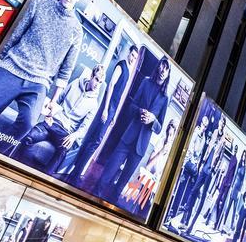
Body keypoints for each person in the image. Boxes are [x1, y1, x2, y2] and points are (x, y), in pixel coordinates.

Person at [0, 0, 83, 151]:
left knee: (27, 123)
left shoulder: (76, 30)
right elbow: (14, 36)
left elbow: (66, 69)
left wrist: (53, 100)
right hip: (12, 67)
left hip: (39, 82)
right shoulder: (39, 4)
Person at [95, 56, 171, 203]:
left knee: (120, 186)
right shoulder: (146, 82)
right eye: (162, 67)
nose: (163, 71)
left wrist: (153, 120)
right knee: (106, 175)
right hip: (127, 138)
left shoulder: (164, 98)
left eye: (167, 69)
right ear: (158, 68)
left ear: (168, 74)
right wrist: (140, 111)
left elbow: (160, 127)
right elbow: (131, 106)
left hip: (141, 147)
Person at [64, 46, 139, 183]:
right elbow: (111, 86)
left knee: (95, 141)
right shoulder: (121, 65)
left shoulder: (128, 69)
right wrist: (106, 109)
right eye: (132, 55)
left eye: (135, 57)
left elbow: (120, 94)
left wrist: (114, 115)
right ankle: (76, 173)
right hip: (107, 106)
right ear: (129, 53)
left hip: (113, 108)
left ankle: (76, 171)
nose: (133, 58)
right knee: (95, 140)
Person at [15, 65, 105, 173]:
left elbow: (85, 127)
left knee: (62, 152)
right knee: (28, 137)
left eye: (100, 82)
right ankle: (15, 167)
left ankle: (44, 179)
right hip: (53, 122)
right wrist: (49, 114)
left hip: (66, 133)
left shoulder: (94, 104)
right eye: (96, 80)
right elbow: (57, 101)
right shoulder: (76, 83)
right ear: (91, 76)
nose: (97, 85)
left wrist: (74, 136)